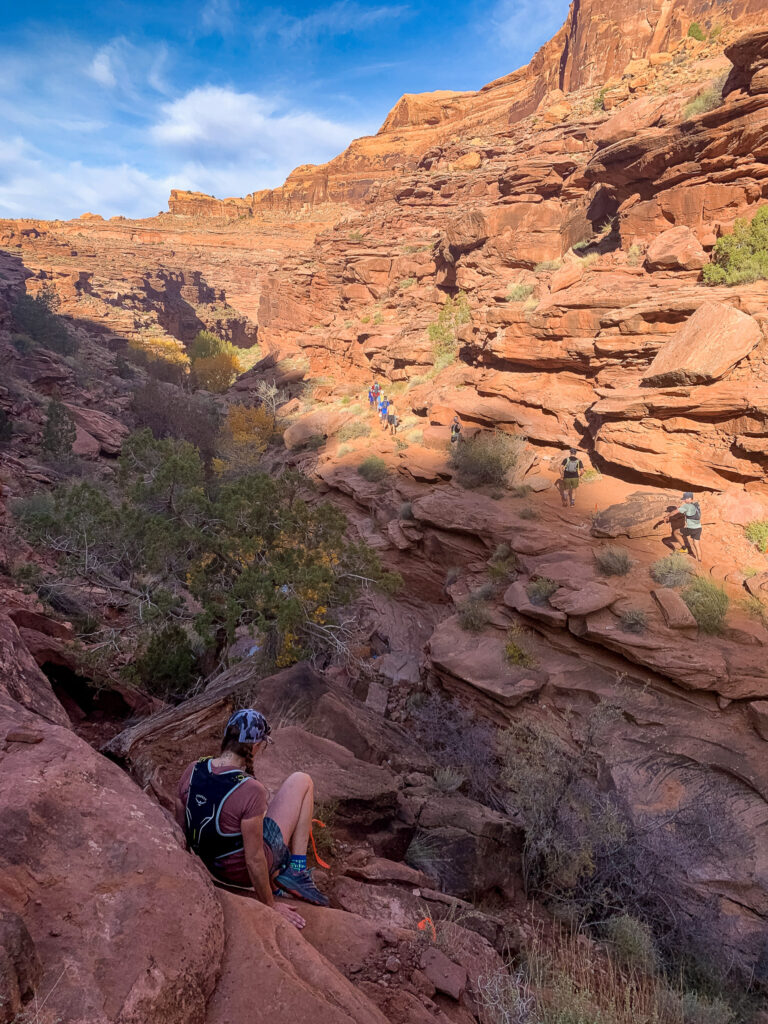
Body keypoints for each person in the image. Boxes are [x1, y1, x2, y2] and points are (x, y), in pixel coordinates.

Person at [176, 709, 329, 931]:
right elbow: (255, 859)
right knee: (302, 781)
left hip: (213, 866)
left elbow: (182, 828)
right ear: (255, 746)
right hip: (242, 874)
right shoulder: (250, 789)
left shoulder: (193, 769)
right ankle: (296, 869)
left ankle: (280, 875)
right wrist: (270, 904)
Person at [665, 491, 703, 562]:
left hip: (691, 528)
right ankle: (699, 561)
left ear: (689, 498)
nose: (684, 500)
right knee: (696, 545)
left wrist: (667, 516)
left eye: (685, 499)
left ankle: (684, 548)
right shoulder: (696, 505)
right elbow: (691, 512)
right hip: (698, 528)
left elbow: (674, 512)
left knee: (676, 532)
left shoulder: (686, 506)